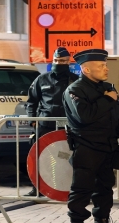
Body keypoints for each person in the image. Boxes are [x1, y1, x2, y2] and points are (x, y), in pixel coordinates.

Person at [62, 48, 119, 223]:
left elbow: (116, 112)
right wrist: (108, 99)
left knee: (105, 189)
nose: (106, 68)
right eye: (101, 66)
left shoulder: (107, 87)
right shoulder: (75, 90)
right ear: (86, 70)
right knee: (82, 189)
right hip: (87, 147)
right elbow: (85, 116)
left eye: (105, 65)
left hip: (108, 146)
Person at [25, 47, 79, 196]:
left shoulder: (75, 80)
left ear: (68, 62)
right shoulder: (42, 79)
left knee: (66, 156)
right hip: (45, 124)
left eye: (62, 61)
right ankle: (38, 189)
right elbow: (31, 101)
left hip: (68, 126)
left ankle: (66, 188)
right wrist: (33, 121)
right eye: (56, 60)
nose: (58, 63)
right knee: (41, 157)